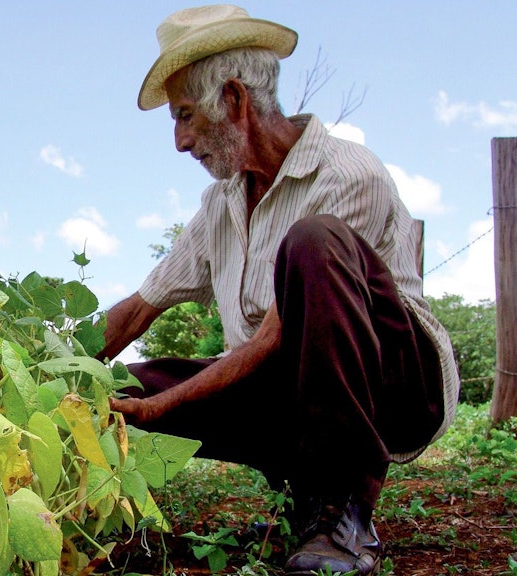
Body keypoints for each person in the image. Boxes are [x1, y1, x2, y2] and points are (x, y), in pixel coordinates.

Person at [97, 5, 459, 575]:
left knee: (312, 243)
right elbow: (141, 306)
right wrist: (64, 372)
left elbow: (276, 339)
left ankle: (346, 511)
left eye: (187, 115)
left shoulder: (347, 174)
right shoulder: (220, 204)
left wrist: (162, 406)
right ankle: (304, 502)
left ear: (236, 101)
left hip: (397, 394)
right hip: (286, 393)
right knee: (119, 384)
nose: (180, 140)